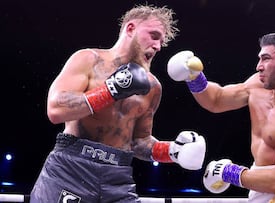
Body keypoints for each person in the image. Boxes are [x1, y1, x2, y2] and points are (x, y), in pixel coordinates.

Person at [30, 4, 206, 203]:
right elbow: (55, 109)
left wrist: (173, 152)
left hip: (117, 177)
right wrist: (111, 90)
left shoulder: (152, 87)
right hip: (71, 168)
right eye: (154, 36)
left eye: (161, 42)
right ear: (130, 29)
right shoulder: (89, 59)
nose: (157, 46)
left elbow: (140, 142)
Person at [167, 32, 275, 203]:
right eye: (260, 58)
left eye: (266, 58)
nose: (259, 66)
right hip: (258, 183)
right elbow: (216, 100)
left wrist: (229, 172)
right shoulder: (258, 85)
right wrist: (194, 77)